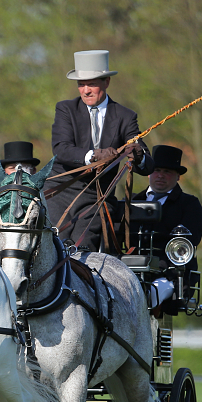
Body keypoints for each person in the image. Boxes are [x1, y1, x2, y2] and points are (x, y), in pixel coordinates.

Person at [49, 50, 154, 252]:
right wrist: (93, 155)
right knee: (54, 246)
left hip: (96, 197)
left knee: (81, 249)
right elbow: (61, 149)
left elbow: (148, 165)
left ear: (106, 82)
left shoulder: (125, 116)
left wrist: (138, 155)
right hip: (61, 191)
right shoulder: (65, 109)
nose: (85, 90)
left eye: (92, 84)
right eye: (81, 84)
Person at [131, 144, 202, 308]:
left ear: (178, 176)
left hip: (171, 275)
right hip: (131, 269)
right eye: (156, 170)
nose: (160, 176)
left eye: (167, 172)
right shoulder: (133, 201)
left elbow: (186, 245)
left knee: (150, 296)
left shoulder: (189, 205)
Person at [0, 141, 41, 249]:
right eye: (12, 168)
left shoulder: (43, 198)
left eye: (24, 167)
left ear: (34, 171)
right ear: (4, 171)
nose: (18, 172)